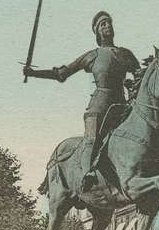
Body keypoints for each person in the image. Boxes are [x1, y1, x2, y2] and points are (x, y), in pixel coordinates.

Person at [23, 11, 141, 191]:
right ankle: (88, 173)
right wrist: (34, 73)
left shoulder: (125, 54)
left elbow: (140, 75)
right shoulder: (91, 56)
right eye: (103, 24)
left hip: (122, 106)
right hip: (99, 105)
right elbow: (62, 74)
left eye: (109, 23)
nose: (107, 26)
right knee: (92, 139)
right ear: (97, 32)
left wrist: (135, 84)